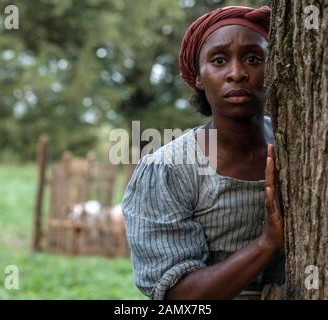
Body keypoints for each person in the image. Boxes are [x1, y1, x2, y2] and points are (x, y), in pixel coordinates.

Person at [122, 5, 285, 300]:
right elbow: (176, 297)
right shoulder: (169, 169)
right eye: (219, 60)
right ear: (198, 76)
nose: (237, 73)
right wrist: (266, 244)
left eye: (253, 58)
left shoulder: (292, 144)